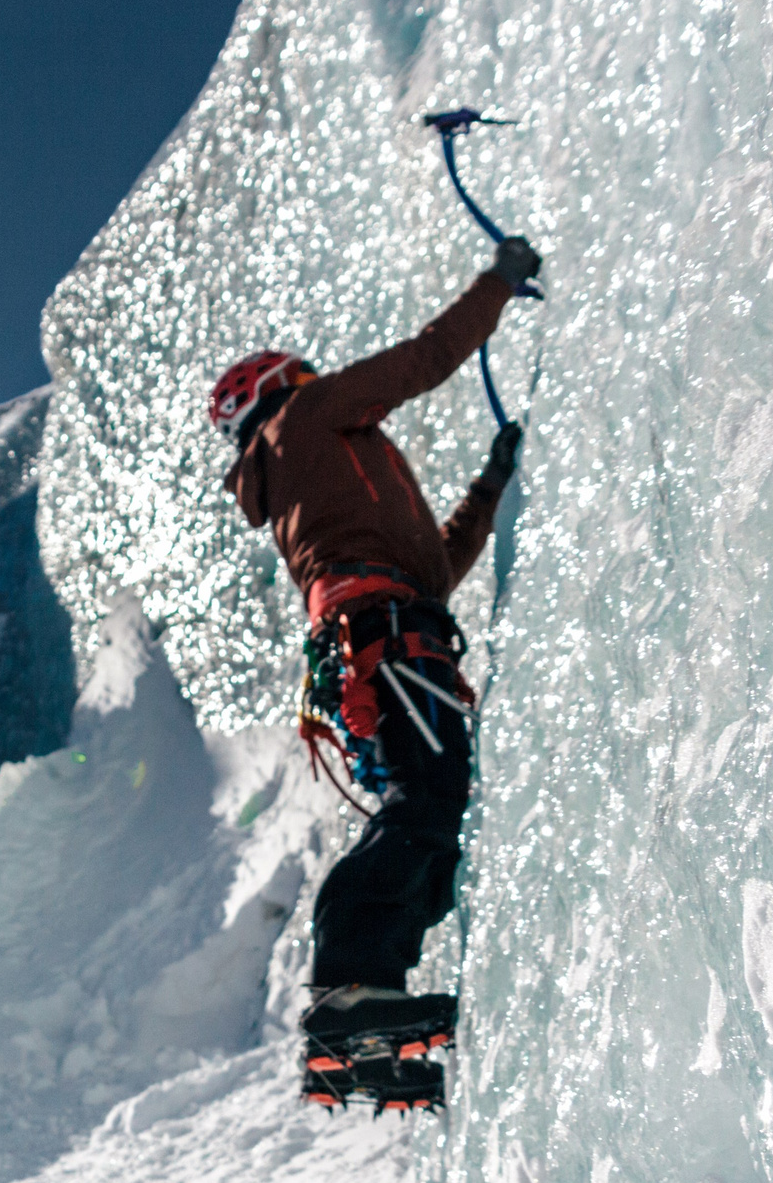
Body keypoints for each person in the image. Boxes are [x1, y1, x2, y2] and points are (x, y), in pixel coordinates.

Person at [209, 236, 540, 1110]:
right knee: (423, 808)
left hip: (396, 633)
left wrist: (495, 482)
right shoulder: (306, 420)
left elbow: (437, 564)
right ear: (284, 385)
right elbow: (424, 359)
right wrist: (498, 283)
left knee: (433, 831)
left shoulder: (322, 479)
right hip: (385, 637)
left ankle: (373, 1023)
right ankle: (354, 1014)